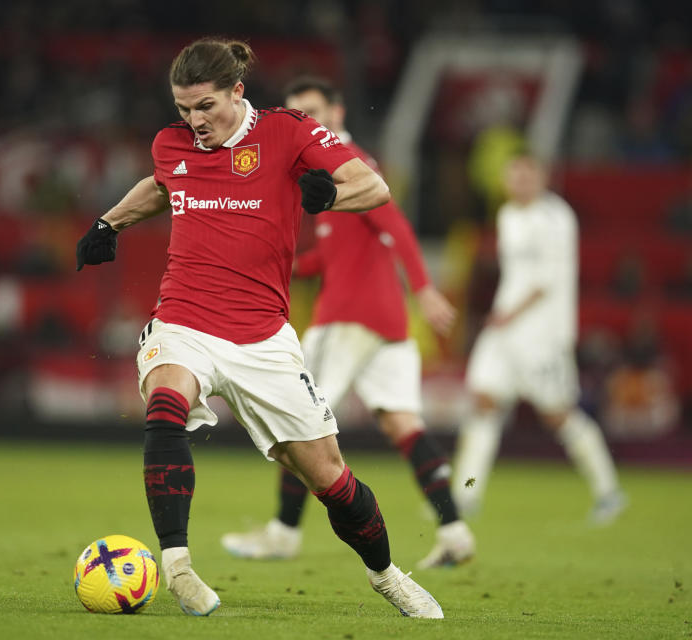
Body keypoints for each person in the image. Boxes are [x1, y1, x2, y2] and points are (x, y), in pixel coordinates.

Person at [76, 38, 443, 618]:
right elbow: (162, 183)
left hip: (263, 338)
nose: (194, 122)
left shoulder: (288, 132)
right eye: (183, 110)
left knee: (328, 478)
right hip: (184, 319)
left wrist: (327, 198)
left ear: (236, 92)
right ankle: (178, 566)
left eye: (205, 107)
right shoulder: (172, 143)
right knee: (165, 402)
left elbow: (374, 188)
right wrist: (109, 223)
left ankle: (387, 575)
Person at [220, 77, 475, 569]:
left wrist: (423, 287)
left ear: (336, 110)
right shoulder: (320, 169)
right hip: (386, 322)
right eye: (295, 114)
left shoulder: (349, 164)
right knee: (404, 423)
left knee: (296, 419)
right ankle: (456, 531)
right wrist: (284, 263)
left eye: (312, 111)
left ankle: (283, 533)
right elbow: (333, 258)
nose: (304, 122)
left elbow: (394, 222)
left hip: (350, 318)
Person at [451, 151, 626, 525]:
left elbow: (547, 281)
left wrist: (507, 313)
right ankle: (466, 496)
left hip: (543, 332)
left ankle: (609, 492)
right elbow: (515, 276)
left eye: (528, 176)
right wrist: (504, 315)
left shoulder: (556, 218)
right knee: (484, 401)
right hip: (505, 330)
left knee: (557, 413)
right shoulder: (508, 215)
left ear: (542, 178)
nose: (520, 183)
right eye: (514, 176)